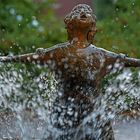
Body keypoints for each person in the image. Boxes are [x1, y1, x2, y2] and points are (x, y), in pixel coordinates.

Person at [0, 4, 140, 140]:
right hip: (64, 112)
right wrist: (5, 59)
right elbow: (33, 57)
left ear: (92, 27)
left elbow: (125, 61)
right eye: (78, 11)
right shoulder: (58, 52)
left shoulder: (101, 55)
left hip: (94, 114)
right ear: (70, 24)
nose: (83, 12)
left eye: (87, 11)